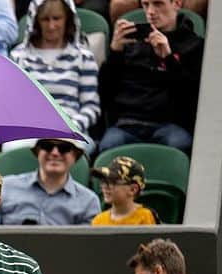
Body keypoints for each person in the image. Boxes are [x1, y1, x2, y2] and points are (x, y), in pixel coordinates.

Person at [98, 0, 203, 153]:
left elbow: (191, 99)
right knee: (108, 146)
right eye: (146, 5)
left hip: (170, 123)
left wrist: (168, 59)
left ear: (177, 3)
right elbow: (104, 95)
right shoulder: (129, 42)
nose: (150, 11)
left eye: (158, 4)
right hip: (128, 123)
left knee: (179, 144)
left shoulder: (193, 44)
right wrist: (115, 53)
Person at [10, 0, 101, 152]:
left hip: (71, 131)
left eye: (57, 18)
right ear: (36, 21)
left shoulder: (84, 57)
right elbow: (12, 103)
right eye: (45, 19)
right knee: (13, 149)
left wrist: (70, 126)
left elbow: (91, 107)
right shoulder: (18, 56)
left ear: (68, 19)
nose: (51, 26)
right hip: (29, 131)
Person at [0, 139, 100, 225]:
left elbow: (85, 246)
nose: (55, 153)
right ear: (38, 152)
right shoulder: (5, 187)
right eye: (47, 146)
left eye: (64, 148)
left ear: (75, 156)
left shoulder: (88, 201)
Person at [90, 156, 159, 224]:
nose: (105, 187)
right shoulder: (99, 220)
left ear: (133, 189)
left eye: (112, 182)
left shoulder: (145, 217)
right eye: (103, 181)